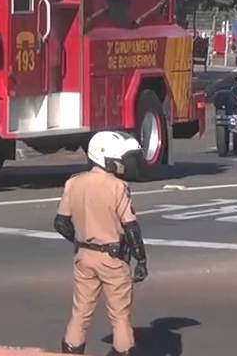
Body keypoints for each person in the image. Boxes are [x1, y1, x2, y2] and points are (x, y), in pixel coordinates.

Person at [54, 131, 148, 356]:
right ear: (107, 158)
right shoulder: (117, 187)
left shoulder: (74, 183)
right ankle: (124, 350)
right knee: (120, 315)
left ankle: (71, 351)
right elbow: (131, 227)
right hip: (113, 258)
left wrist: (82, 239)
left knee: (81, 313)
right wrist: (141, 259)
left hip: (84, 257)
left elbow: (61, 223)